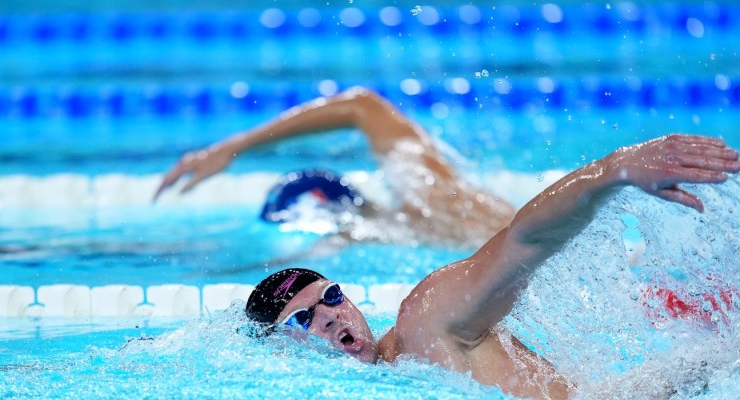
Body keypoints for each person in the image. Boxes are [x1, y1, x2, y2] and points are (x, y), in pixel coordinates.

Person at [155, 87, 740, 400]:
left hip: (656, 353)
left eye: (331, 296)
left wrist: (613, 170)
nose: (331, 316)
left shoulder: (424, 316)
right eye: (306, 319)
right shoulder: (382, 376)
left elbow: (526, 238)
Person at [153, 87, 516, 249]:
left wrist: (233, 146)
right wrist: (233, 147)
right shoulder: (416, 198)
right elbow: (363, 105)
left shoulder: (425, 195)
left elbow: (362, 104)